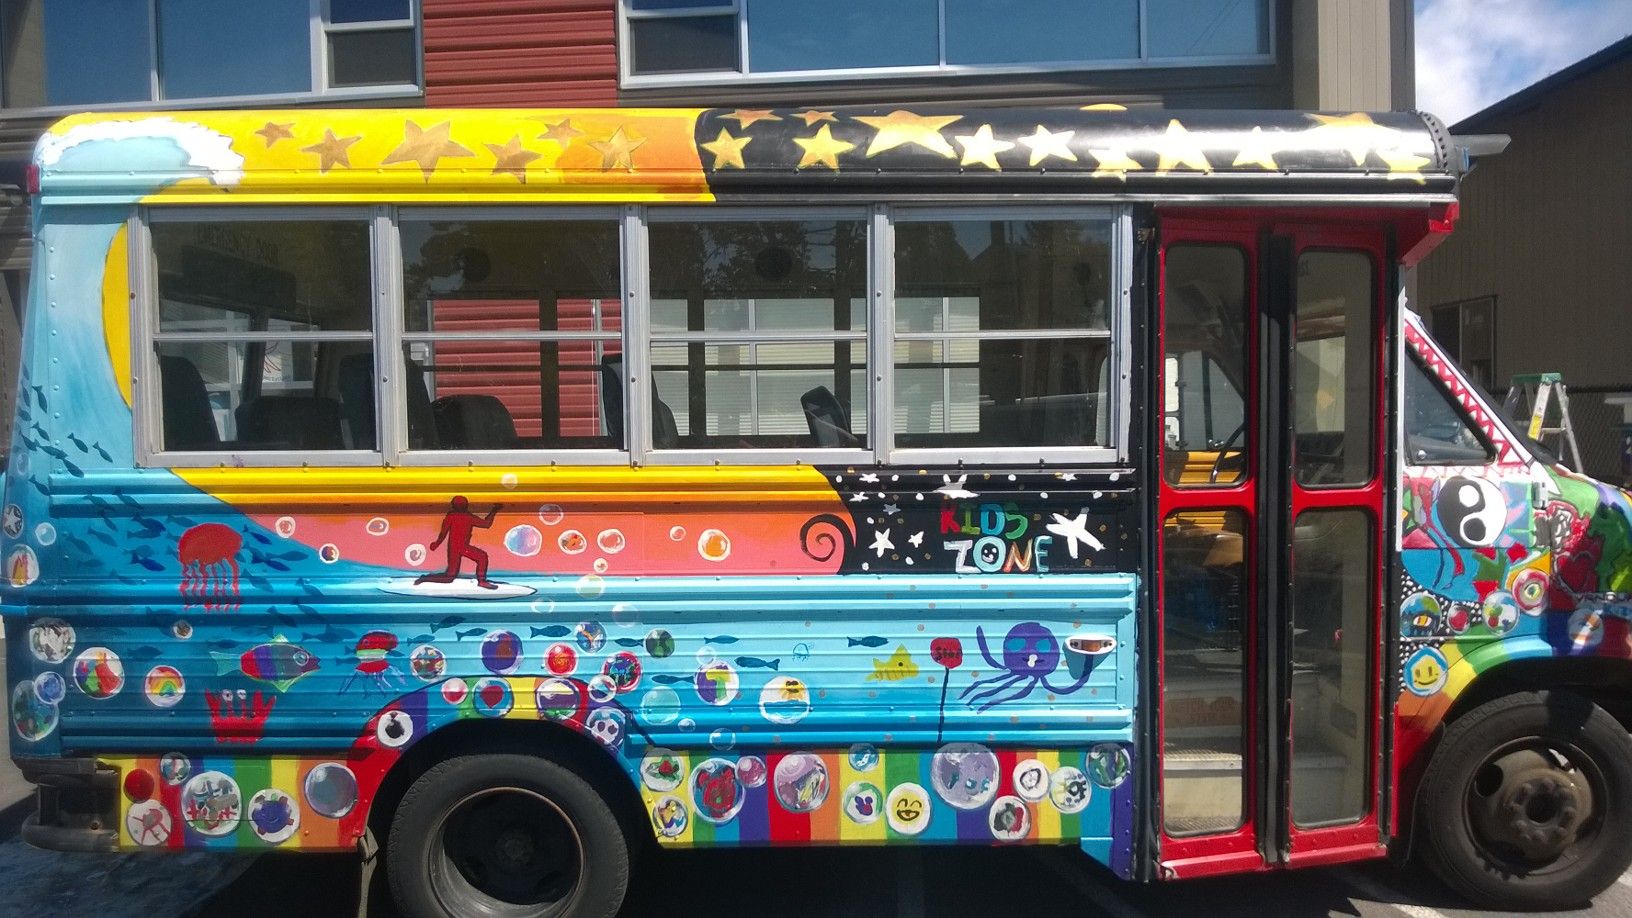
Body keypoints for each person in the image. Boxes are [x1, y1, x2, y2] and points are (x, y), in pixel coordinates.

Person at [416, 496, 502, 588]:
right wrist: (494, 510)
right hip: (459, 547)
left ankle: (425, 578)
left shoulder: (462, 516)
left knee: (450, 576)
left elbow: (443, 533)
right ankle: (481, 581)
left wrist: (436, 544)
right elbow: (486, 524)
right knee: (481, 557)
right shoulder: (460, 516)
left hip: (458, 547)